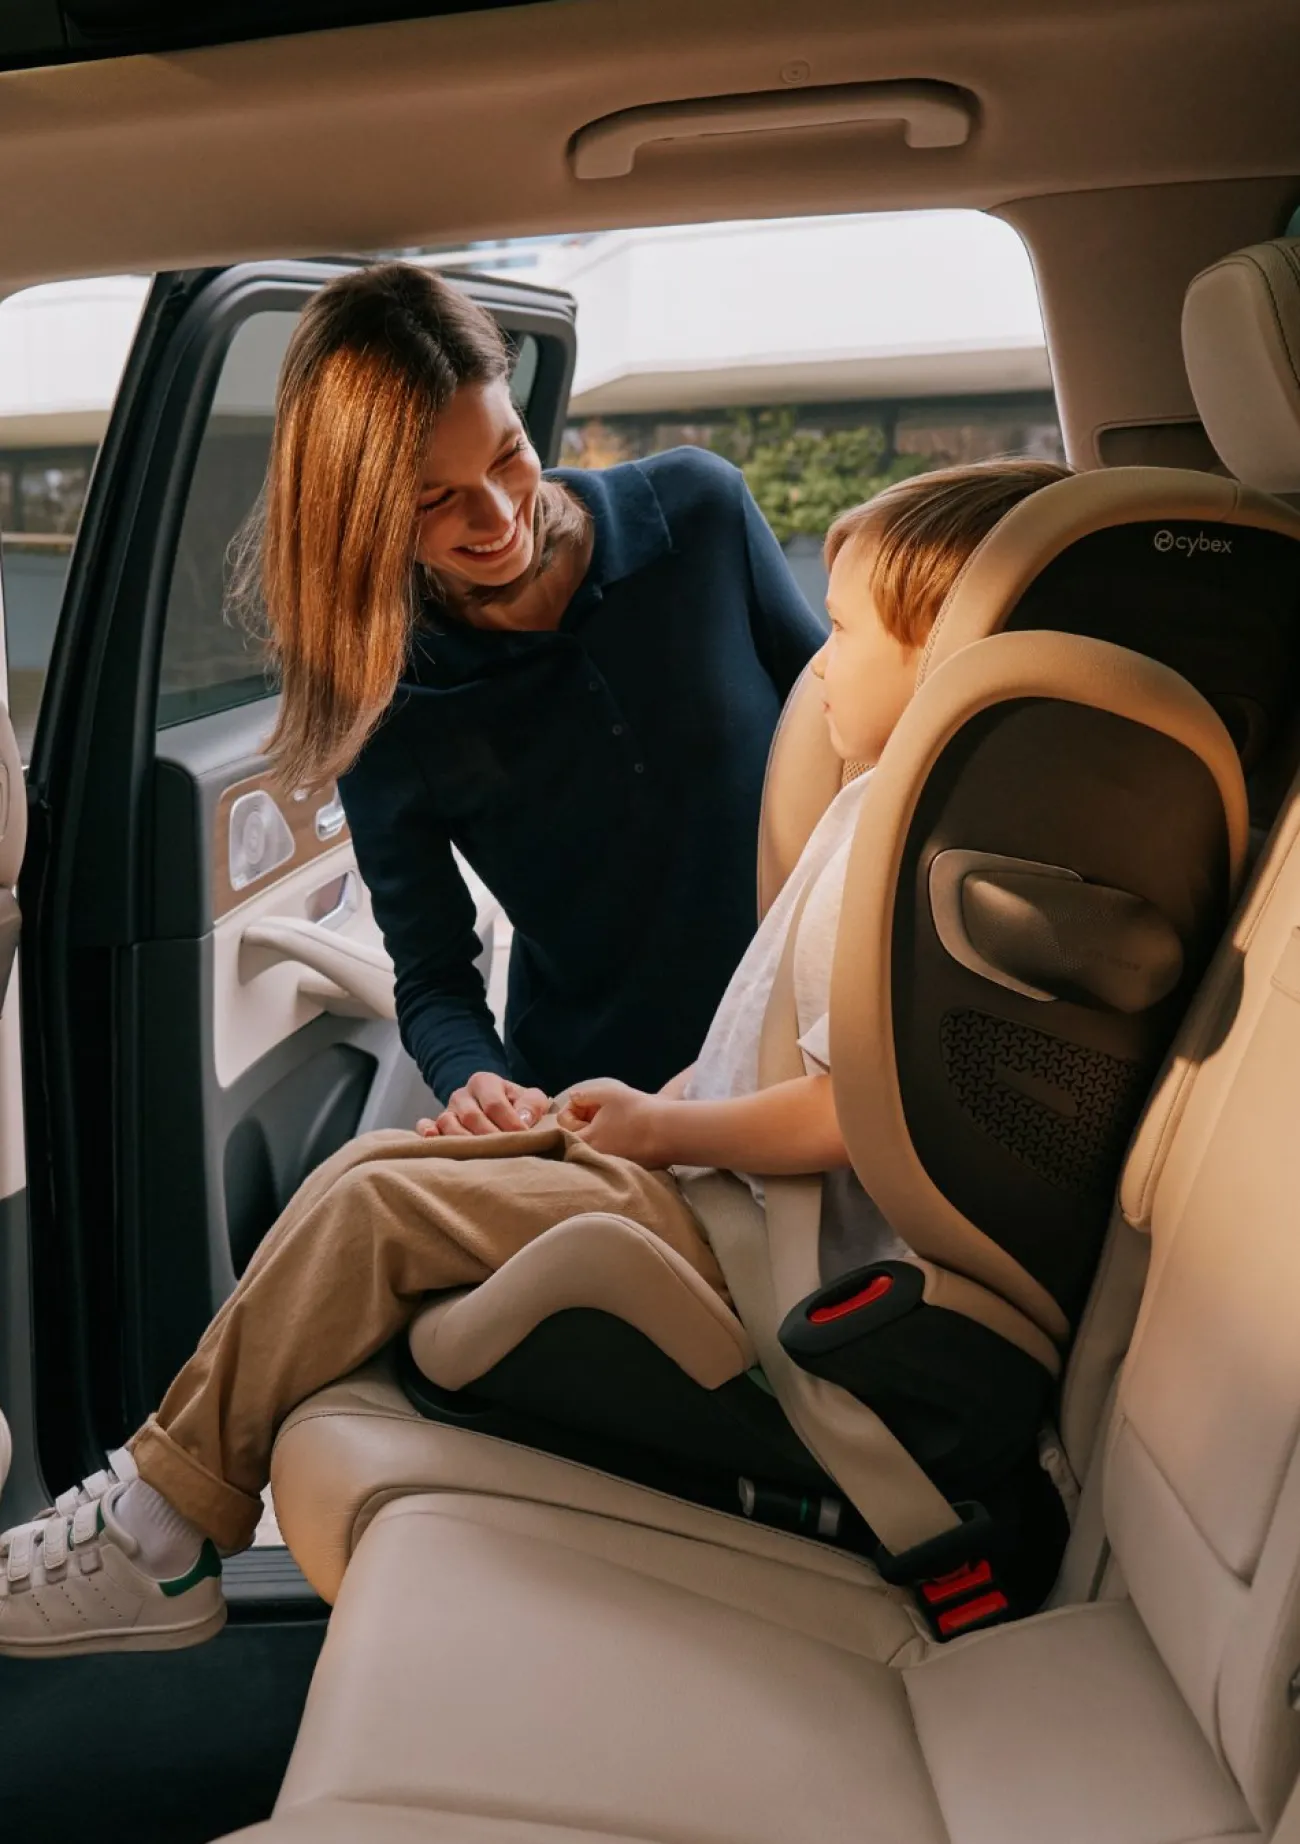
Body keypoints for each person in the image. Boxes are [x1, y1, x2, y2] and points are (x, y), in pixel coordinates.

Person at [0, 457, 1070, 1656]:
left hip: (762, 1220)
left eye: (844, 632)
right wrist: (571, 1099)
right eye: (434, 499)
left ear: (945, 656)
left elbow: (859, 1106)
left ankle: (157, 1526)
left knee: (372, 1209)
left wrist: (664, 1125)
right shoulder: (865, 812)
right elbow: (479, 983)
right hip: (709, 1156)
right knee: (363, 1171)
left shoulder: (892, 838)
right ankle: (157, 1491)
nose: (817, 661)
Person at [237, 261, 826, 1140]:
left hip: (802, 1062)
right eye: (436, 499)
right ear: (363, 515)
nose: (496, 517)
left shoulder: (698, 513)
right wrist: (477, 1083)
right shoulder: (385, 698)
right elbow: (433, 977)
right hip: (595, 1119)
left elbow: (853, 754)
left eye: (507, 454)